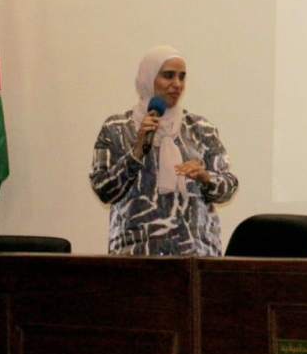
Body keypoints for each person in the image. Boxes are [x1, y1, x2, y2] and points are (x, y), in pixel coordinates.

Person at [90, 45, 238, 255]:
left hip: (194, 253)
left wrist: (205, 178)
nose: (177, 84)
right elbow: (104, 190)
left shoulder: (200, 129)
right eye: (168, 76)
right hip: (135, 254)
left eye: (182, 77)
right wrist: (136, 152)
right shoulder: (116, 128)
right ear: (149, 78)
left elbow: (228, 186)